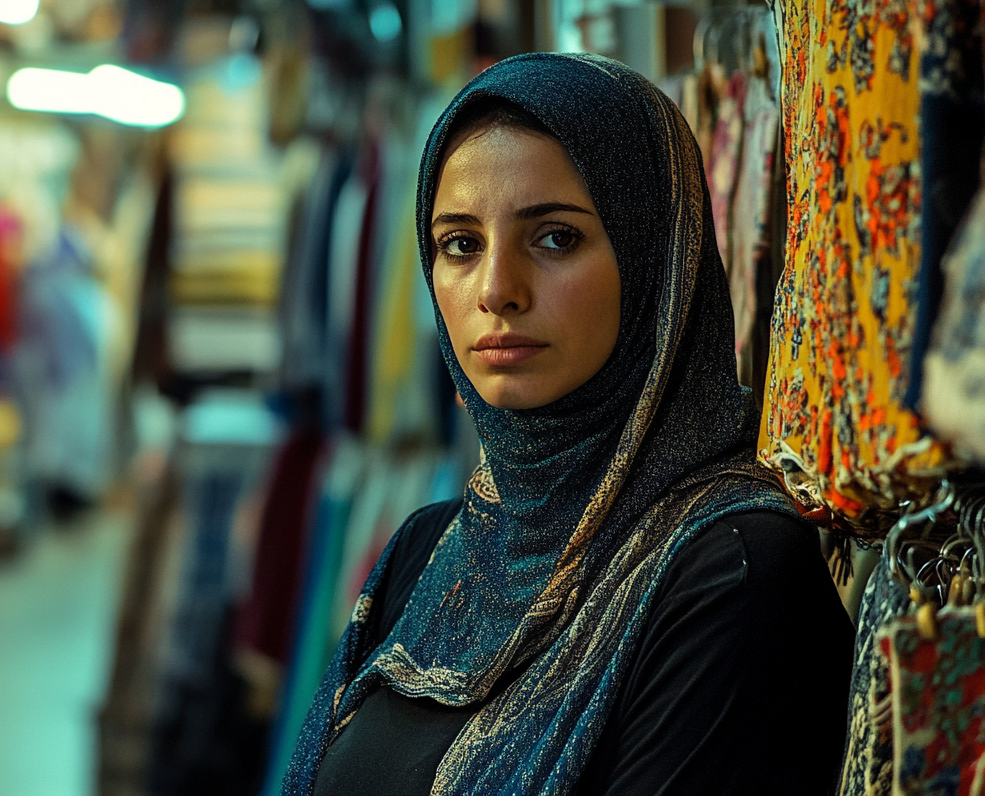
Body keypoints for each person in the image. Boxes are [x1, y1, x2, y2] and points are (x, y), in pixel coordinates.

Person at [283, 53, 853, 796]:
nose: (497, 290)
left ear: (653, 260)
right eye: (460, 243)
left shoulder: (733, 574)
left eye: (555, 238)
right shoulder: (430, 554)